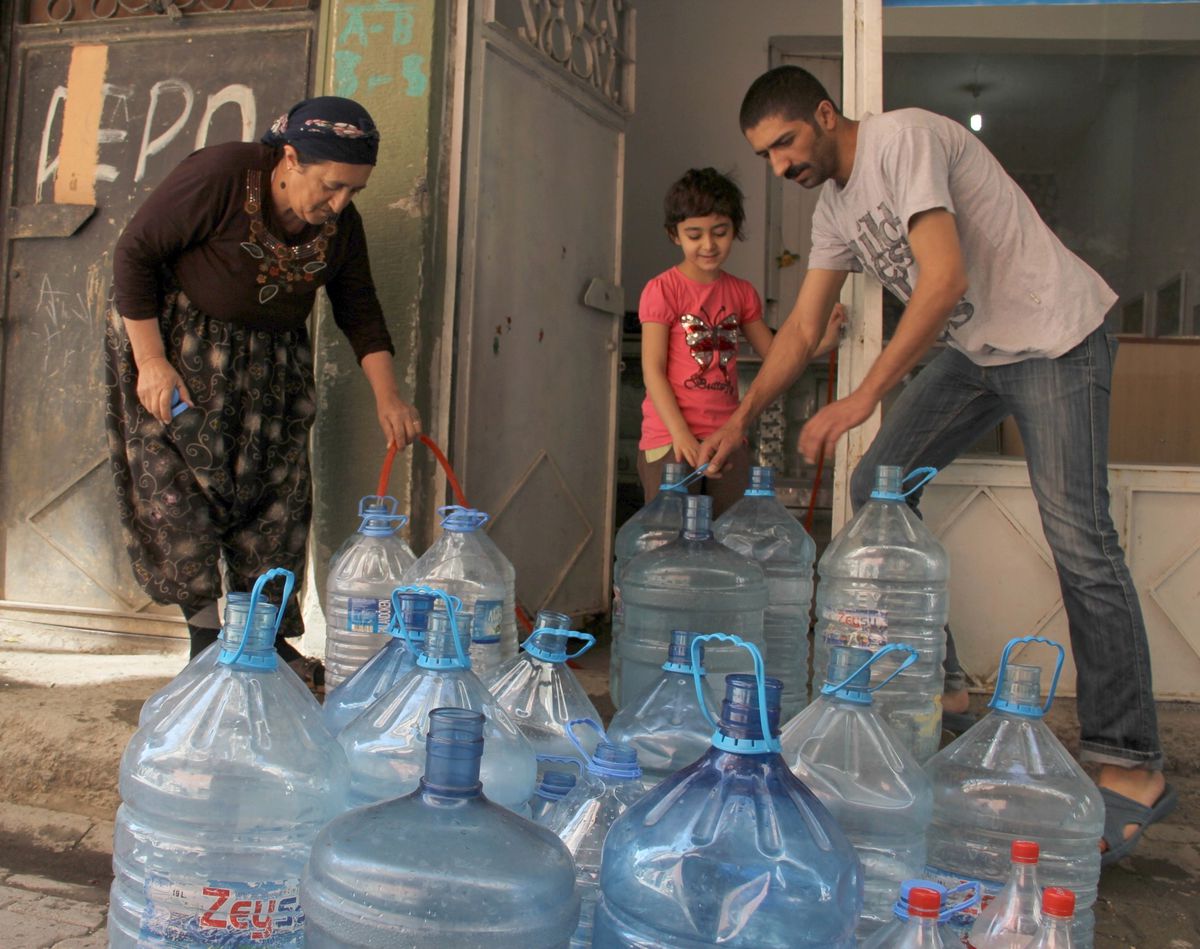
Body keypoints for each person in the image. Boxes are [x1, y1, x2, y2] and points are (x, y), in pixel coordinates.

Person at [699, 65, 1173, 863]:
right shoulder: (833, 209)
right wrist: (740, 420)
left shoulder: (904, 138)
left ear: (825, 115)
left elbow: (944, 277)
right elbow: (804, 329)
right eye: (766, 156)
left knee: (1081, 539)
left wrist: (863, 398)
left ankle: (1131, 758)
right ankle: (945, 687)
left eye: (786, 143)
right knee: (877, 486)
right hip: (978, 351)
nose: (780, 165)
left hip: (1055, 337)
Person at [105, 96, 420, 685]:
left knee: (278, 493)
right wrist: (150, 362)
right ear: (290, 159)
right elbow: (134, 253)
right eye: (332, 186)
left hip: (273, 360)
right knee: (180, 492)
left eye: (354, 190)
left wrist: (389, 397)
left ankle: (266, 639)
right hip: (179, 349)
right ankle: (205, 643)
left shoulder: (341, 226)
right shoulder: (222, 176)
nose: (340, 203)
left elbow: (359, 309)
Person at [636, 168, 774, 516]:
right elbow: (652, 370)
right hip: (670, 438)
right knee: (670, 537)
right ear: (674, 235)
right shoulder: (662, 289)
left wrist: (822, 338)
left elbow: (776, 355)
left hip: (727, 439)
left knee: (727, 533)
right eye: (694, 235)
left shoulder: (742, 292)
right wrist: (680, 433)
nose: (709, 245)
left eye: (720, 232)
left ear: (734, 230)